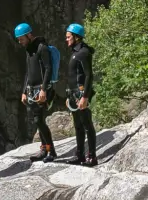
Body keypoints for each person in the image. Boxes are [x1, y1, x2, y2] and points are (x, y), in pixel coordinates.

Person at [13, 22, 59, 163]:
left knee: (39, 120)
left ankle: (51, 151)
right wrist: (23, 91)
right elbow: (28, 73)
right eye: (18, 39)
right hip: (32, 91)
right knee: (36, 121)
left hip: (41, 90)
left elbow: (48, 69)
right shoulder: (29, 50)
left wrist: (44, 90)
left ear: (29, 35)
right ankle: (44, 149)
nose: (20, 42)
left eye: (21, 38)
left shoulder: (42, 48)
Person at [65, 24, 98, 166]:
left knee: (87, 125)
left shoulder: (84, 52)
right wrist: (69, 95)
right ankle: (80, 155)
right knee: (78, 125)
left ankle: (92, 157)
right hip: (73, 94)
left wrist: (85, 97)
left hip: (81, 94)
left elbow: (89, 76)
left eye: (68, 37)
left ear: (76, 37)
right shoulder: (74, 52)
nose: (66, 40)